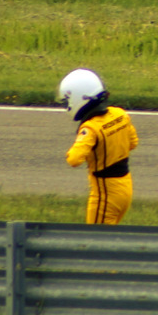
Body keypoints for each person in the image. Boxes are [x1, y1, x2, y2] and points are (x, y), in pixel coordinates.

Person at [57, 68, 139, 225]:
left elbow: (74, 160)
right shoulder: (120, 114)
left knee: (94, 242)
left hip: (105, 192)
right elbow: (133, 143)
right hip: (125, 189)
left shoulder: (90, 128)